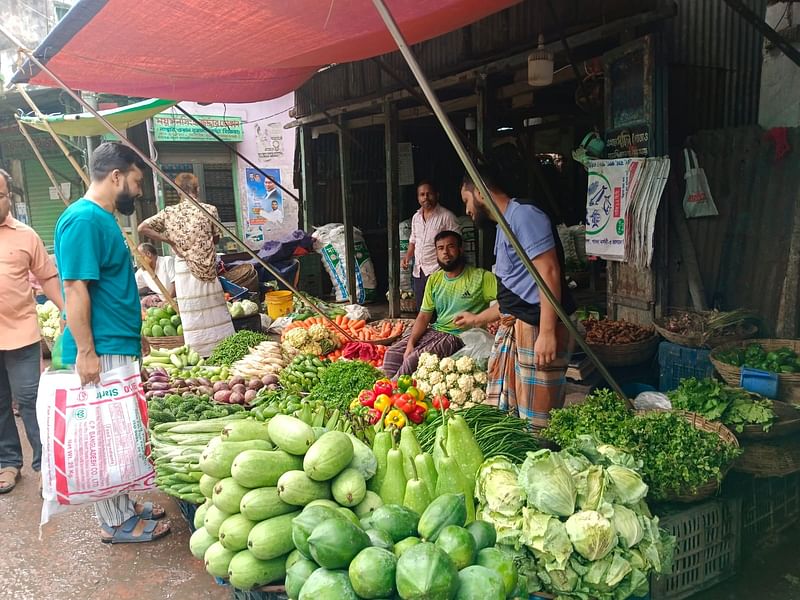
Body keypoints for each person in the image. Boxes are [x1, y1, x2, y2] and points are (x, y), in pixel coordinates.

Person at [54, 142, 170, 542]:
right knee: (106, 435)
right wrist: (86, 352)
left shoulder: (102, 219)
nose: (138, 191)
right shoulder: (83, 220)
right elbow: (74, 289)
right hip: (99, 348)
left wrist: (135, 334)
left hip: (114, 342)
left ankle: (123, 506)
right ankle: (115, 523)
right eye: (136, 181)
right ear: (117, 176)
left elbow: (111, 288)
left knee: (121, 430)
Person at [456, 166, 575, 430]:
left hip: (538, 327)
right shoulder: (504, 225)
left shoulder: (523, 216)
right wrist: (477, 319)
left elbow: (549, 271)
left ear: (479, 192)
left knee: (538, 421)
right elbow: (516, 294)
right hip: (520, 327)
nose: (467, 210)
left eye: (466, 201)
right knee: (516, 418)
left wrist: (546, 332)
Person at [0, 169, 64, 494]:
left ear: (10, 196)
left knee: (30, 400)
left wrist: (67, 309)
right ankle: (8, 463)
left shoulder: (26, 236)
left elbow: (49, 277)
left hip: (21, 333)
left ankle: (43, 465)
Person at [138, 172, 234, 357]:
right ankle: (222, 349)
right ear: (197, 189)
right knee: (213, 308)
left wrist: (170, 240)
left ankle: (198, 353)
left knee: (192, 312)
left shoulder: (169, 213)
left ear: (178, 192)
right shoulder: (209, 210)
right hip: (206, 267)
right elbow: (215, 240)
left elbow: (143, 227)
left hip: (183, 268)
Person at [382, 230, 496, 378]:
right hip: (436, 331)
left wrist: (479, 318)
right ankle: (385, 390)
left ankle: (394, 395)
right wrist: (411, 342)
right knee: (392, 354)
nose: (445, 252)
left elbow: (508, 301)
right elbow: (423, 316)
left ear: (460, 249)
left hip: (460, 336)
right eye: (440, 248)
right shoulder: (434, 279)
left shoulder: (481, 277)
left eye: (451, 247)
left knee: (414, 361)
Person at [401, 180, 461, 312]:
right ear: (418, 198)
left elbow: (457, 243)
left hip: (438, 270)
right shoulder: (416, 217)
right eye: (422, 195)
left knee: (440, 309)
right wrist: (407, 257)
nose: (425, 198)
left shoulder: (447, 217)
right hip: (419, 271)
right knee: (422, 309)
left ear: (437, 195)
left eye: (429, 194)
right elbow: (413, 241)